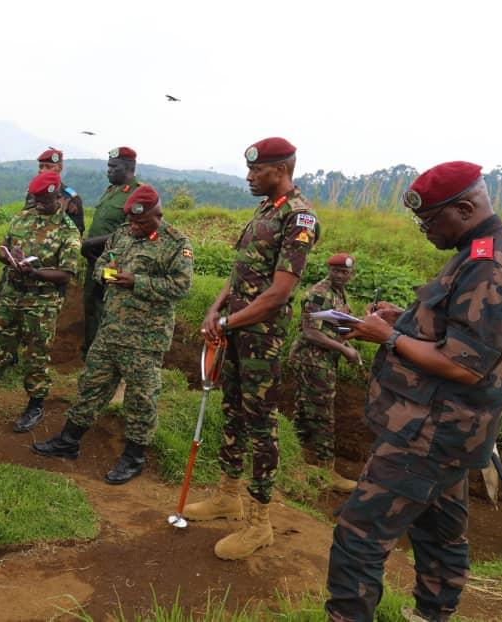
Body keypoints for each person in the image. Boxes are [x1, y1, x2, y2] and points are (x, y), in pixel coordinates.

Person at [325, 162, 502, 622]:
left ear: (465, 207)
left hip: (428, 434)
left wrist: (390, 338)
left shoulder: (491, 265)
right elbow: (461, 327)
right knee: (439, 533)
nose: (424, 230)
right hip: (450, 432)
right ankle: (432, 615)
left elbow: (463, 363)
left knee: (359, 535)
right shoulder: (482, 250)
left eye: (429, 220)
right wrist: (406, 318)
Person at [185, 137, 319, 560]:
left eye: (256, 171)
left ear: (280, 171)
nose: (248, 177)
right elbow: (243, 272)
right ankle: (228, 495)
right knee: (232, 411)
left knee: (261, 424)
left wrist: (229, 321)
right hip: (239, 332)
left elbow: (278, 293)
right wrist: (216, 307)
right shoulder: (266, 209)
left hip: (263, 336)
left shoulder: (300, 218)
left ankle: (259, 523)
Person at [32, 185, 193, 483]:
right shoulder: (122, 233)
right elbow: (101, 265)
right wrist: (110, 275)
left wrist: (138, 282)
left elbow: (181, 287)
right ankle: (69, 440)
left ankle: (134, 456)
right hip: (111, 330)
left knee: (141, 398)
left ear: (158, 214)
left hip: (145, 338)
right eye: (131, 221)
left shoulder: (176, 243)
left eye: (141, 223)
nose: (134, 227)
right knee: (91, 384)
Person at [0, 170, 81, 432]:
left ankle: (35, 404)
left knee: (36, 354)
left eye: (42, 199)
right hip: (12, 294)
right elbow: (2, 249)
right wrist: (9, 258)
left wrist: (35, 272)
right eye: (35, 199)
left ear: (55, 196)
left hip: (41, 303)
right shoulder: (22, 218)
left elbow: (66, 274)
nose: (37, 204)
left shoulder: (68, 231)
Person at [288, 252, 361, 492]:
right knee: (322, 415)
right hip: (312, 361)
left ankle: (289, 457)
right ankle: (327, 469)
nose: (341, 275)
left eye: (346, 272)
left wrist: (349, 345)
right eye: (337, 271)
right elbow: (311, 332)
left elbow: (335, 327)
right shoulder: (319, 294)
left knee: (303, 411)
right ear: (329, 270)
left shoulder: (338, 293)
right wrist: (343, 349)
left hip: (322, 360)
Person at [80, 147, 142, 355]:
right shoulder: (112, 191)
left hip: (115, 264)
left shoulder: (136, 194)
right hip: (94, 261)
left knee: (108, 307)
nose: (108, 170)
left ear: (129, 168)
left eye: (113, 167)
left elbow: (128, 232)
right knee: (90, 304)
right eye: (108, 166)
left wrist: (90, 243)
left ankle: (105, 355)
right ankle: (90, 351)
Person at [27, 148, 85, 233]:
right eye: (41, 166)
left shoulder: (71, 198)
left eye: (48, 166)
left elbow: (77, 230)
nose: (42, 170)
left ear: (59, 168)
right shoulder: (33, 193)